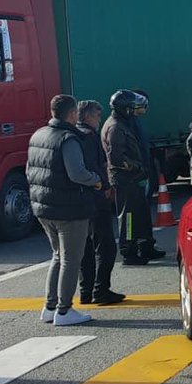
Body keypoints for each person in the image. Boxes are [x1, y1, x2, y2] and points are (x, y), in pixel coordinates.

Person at [27, 94, 103, 327]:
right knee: (71, 259)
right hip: (69, 208)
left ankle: (50, 307)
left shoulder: (38, 135)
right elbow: (76, 173)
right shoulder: (68, 138)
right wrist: (96, 180)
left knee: (58, 256)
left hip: (43, 206)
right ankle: (64, 309)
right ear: (71, 114)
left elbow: (29, 170)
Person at [103, 90, 164, 265]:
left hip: (136, 177)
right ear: (126, 109)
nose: (137, 110)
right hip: (126, 179)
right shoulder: (115, 127)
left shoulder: (126, 123)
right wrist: (136, 167)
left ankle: (146, 247)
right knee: (129, 217)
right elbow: (116, 159)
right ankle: (128, 251)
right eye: (134, 108)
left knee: (143, 215)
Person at [75, 101, 125, 306]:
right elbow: (97, 165)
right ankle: (101, 289)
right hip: (95, 198)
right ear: (87, 116)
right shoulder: (89, 136)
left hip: (79, 200)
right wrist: (105, 186)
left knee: (85, 247)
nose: (98, 120)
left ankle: (86, 291)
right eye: (96, 116)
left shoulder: (73, 135)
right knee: (105, 246)